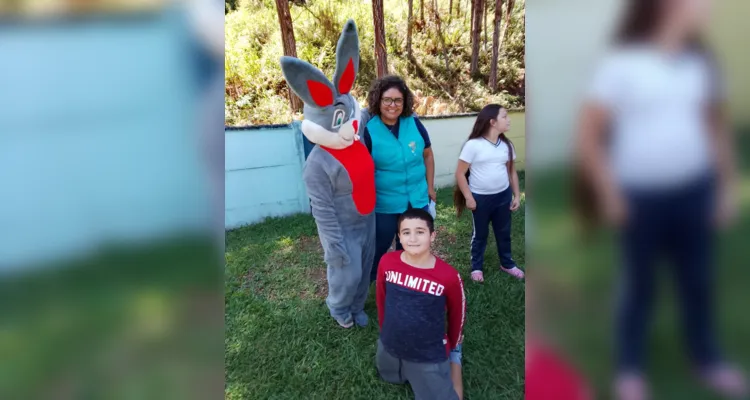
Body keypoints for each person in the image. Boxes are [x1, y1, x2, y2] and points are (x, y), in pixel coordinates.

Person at [575, 0, 747, 398]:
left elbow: (715, 129)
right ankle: (630, 368)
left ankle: (706, 358)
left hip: (694, 191)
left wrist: (725, 188)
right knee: (639, 285)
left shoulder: (701, 64)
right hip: (640, 199)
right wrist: (610, 192)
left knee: (698, 281)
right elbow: (588, 136)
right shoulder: (621, 65)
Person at [279, 20, 376, 329]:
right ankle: (339, 308)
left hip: (367, 219)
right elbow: (321, 208)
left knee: (365, 266)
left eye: (348, 115)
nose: (349, 125)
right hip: (342, 227)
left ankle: (358, 305)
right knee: (347, 272)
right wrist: (333, 245)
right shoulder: (318, 164)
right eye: (339, 119)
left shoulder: (357, 142)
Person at [375, 208, 466, 400]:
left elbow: (458, 314)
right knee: (389, 377)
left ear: (432, 236)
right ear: (399, 236)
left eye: (420, 232)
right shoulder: (387, 261)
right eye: (406, 232)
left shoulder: (448, 276)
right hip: (391, 343)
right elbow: (381, 299)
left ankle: (455, 357)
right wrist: (385, 333)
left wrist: (454, 341)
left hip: (427, 352)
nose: (413, 239)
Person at [362, 75, 436, 283]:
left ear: (405, 102)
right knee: (379, 247)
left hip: (416, 200)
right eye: (387, 100)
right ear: (378, 100)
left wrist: (430, 187)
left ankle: (408, 284)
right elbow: (364, 169)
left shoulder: (413, 123)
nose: (392, 105)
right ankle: (369, 282)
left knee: (412, 247)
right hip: (385, 203)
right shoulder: (369, 130)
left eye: (398, 100)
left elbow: (428, 155)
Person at [453, 104, 524, 282]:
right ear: (492, 122)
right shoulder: (473, 145)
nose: (508, 120)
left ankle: (507, 263)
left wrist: (516, 194)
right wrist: (469, 197)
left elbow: (511, 172)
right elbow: (460, 173)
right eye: (505, 116)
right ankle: (476, 267)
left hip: (503, 197)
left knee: (504, 232)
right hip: (480, 199)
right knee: (480, 234)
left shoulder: (506, 145)